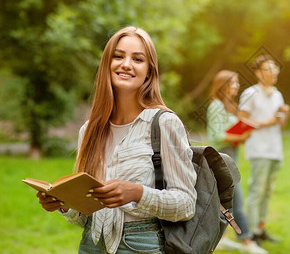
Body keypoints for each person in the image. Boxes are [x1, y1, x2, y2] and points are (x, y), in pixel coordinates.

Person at [36, 26, 197, 254]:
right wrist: (63, 205)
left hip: (140, 245)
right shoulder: (90, 129)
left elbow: (187, 204)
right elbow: (86, 216)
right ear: (107, 64)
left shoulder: (163, 123)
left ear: (149, 72)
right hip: (91, 244)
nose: (126, 64)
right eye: (118, 56)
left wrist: (137, 192)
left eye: (138, 59)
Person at [207, 70, 267, 254]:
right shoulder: (216, 105)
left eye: (236, 83)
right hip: (222, 156)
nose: (236, 87)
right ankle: (247, 241)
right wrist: (239, 136)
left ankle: (220, 239)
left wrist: (242, 135)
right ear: (222, 86)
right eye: (232, 83)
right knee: (237, 199)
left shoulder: (227, 106)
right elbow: (217, 135)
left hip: (230, 156)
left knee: (226, 201)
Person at [238, 55, 290, 245]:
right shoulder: (250, 93)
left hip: (275, 149)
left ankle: (260, 229)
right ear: (258, 73)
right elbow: (242, 122)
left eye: (275, 68)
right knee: (257, 190)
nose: (275, 71)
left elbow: (279, 125)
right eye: (270, 68)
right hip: (259, 149)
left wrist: (286, 115)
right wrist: (268, 122)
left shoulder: (277, 94)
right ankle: (251, 232)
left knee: (267, 191)